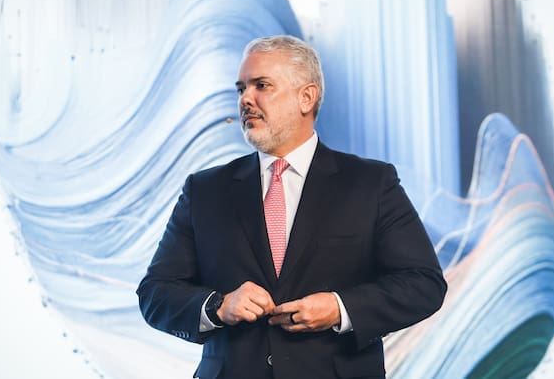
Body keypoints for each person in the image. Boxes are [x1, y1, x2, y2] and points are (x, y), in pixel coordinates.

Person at [137, 35, 447, 379]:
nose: (245, 99)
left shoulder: (371, 183)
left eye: (261, 86)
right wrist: (218, 306)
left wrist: (339, 308)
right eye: (241, 88)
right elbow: (155, 293)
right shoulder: (204, 190)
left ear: (306, 97)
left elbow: (423, 284)